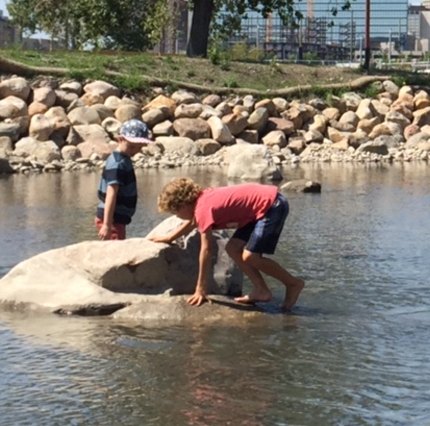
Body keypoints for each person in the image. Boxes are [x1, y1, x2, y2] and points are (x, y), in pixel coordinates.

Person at [150, 178, 305, 311]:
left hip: (271, 206)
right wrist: (170, 237)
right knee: (232, 248)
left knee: (251, 256)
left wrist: (200, 289)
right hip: (258, 208)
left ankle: (293, 283)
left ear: (183, 206)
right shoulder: (200, 201)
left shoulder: (203, 208)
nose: (177, 217)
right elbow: (193, 221)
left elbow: (206, 250)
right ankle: (261, 290)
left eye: (175, 212)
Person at [95, 119, 152, 240]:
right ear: (120, 139)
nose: (135, 151)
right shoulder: (117, 164)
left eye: (139, 147)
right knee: (115, 252)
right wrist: (107, 225)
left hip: (117, 218)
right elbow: (111, 194)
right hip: (112, 219)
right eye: (132, 146)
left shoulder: (124, 158)